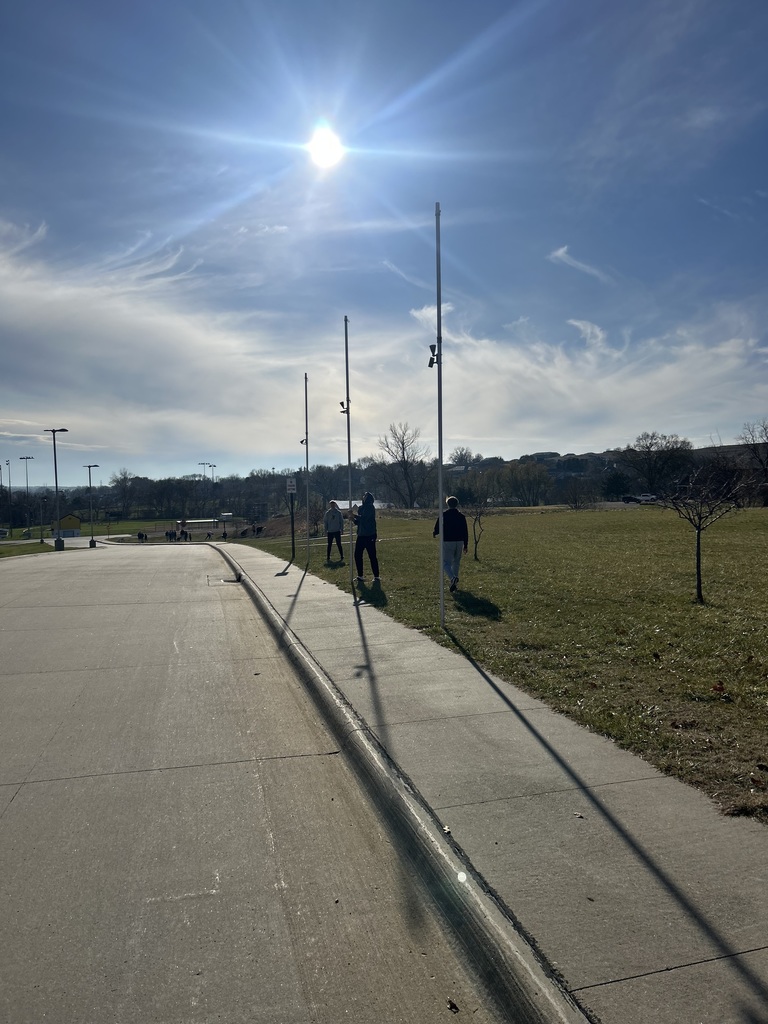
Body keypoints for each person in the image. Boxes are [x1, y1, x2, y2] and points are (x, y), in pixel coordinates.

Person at [433, 495, 468, 592]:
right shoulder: (461, 516)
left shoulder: (444, 515)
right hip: (459, 541)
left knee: (445, 562)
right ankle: (454, 584)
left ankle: (452, 578)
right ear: (457, 504)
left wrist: (435, 532)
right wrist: (466, 544)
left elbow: (438, 527)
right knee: (456, 562)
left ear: (447, 504)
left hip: (448, 541)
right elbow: (465, 531)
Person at [352, 492, 380, 583]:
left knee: (372, 555)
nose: (363, 497)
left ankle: (376, 576)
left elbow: (364, 518)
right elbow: (359, 522)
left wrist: (355, 515)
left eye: (365, 496)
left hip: (369, 535)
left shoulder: (370, 507)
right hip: (361, 535)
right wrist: (353, 519)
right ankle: (360, 575)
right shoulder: (361, 508)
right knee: (357, 555)